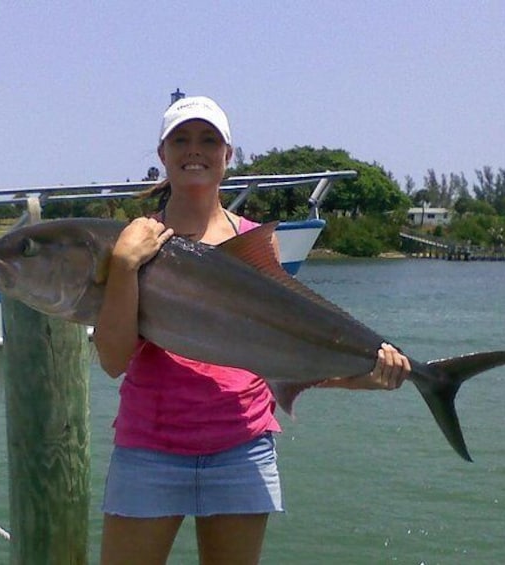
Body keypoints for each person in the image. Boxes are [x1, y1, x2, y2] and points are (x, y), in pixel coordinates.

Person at [93, 95, 411, 565]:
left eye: (208, 140)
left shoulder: (257, 240)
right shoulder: (134, 242)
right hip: (149, 450)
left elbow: (283, 350)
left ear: (229, 155)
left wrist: (369, 371)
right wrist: (122, 267)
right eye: (180, 140)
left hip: (241, 449)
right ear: (162, 155)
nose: (193, 150)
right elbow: (113, 361)